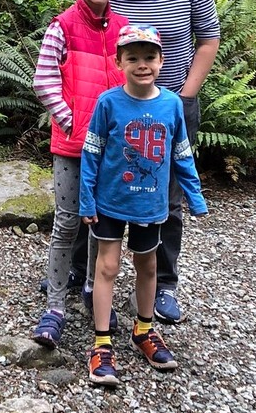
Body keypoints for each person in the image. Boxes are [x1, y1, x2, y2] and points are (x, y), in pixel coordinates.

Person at [109, 0, 220, 324]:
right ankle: (90, 275)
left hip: (172, 105)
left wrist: (186, 96)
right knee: (106, 186)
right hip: (119, 106)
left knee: (168, 197)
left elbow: (207, 38)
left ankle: (164, 284)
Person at [80, 24, 208, 388]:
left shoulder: (171, 104)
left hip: (151, 206)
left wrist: (194, 195)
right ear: (119, 61)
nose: (142, 64)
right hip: (110, 202)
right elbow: (91, 154)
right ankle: (102, 342)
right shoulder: (108, 103)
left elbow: (181, 153)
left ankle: (145, 329)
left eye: (149, 57)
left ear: (161, 60)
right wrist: (87, 198)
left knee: (148, 264)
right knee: (106, 266)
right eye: (132, 57)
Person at [30, 0, 128, 348]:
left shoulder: (125, 29)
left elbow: (136, 83)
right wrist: (72, 122)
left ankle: (92, 291)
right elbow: (44, 80)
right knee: (68, 222)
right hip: (71, 149)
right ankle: (54, 307)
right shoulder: (63, 26)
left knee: (101, 225)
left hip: (112, 151)